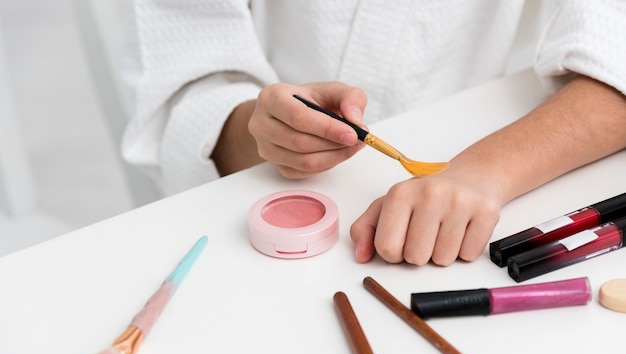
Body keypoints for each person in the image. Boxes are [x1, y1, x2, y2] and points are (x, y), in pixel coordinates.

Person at [121, 0, 626, 266]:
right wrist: (261, 129)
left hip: (489, 160)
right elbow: (186, 83)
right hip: (249, 193)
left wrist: (486, 171)